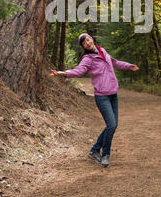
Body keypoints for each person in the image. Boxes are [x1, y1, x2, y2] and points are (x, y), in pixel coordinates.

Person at [50, 33, 139, 168]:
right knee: (111, 125)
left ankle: (94, 150)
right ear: (83, 46)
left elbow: (114, 62)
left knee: (113, 125)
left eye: (88, 39)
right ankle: (105, 155)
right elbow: (79, 71)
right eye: (84, 43)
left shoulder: (102, 50)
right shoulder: (88, 58)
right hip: (102, 96)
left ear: (91, 39)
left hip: (113, 94)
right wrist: (64, 73)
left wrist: (128, 66)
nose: (87, 43)